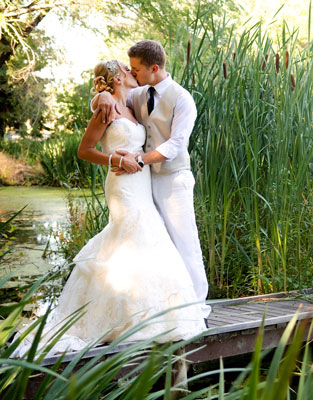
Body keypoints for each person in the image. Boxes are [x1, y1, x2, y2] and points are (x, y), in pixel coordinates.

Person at [14, 60, 207, 357]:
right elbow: (84, 150)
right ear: (117, 77)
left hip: (141, 180)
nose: (133, 73)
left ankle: (147, 310)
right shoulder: (106, 110)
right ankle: (122, 317)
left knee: (147, 239)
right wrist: (117, 160)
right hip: (122, 184)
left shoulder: (130, 103)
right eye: (127, 70)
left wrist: (102, 95)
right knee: (130, 233)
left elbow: (126, 97)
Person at [95, 41, 210, 319]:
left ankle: (197, 308)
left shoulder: (182, 99)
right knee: (156, 245)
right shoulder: (138, 92)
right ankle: (162, 307)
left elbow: (176, 144)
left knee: (184, 243)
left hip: (173, 180)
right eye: (130, 70)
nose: (132, 74)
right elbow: (111, 98)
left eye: (136, 69)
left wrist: (139, 160)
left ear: (154, 68)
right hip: (142, 185)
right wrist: (101, 98)